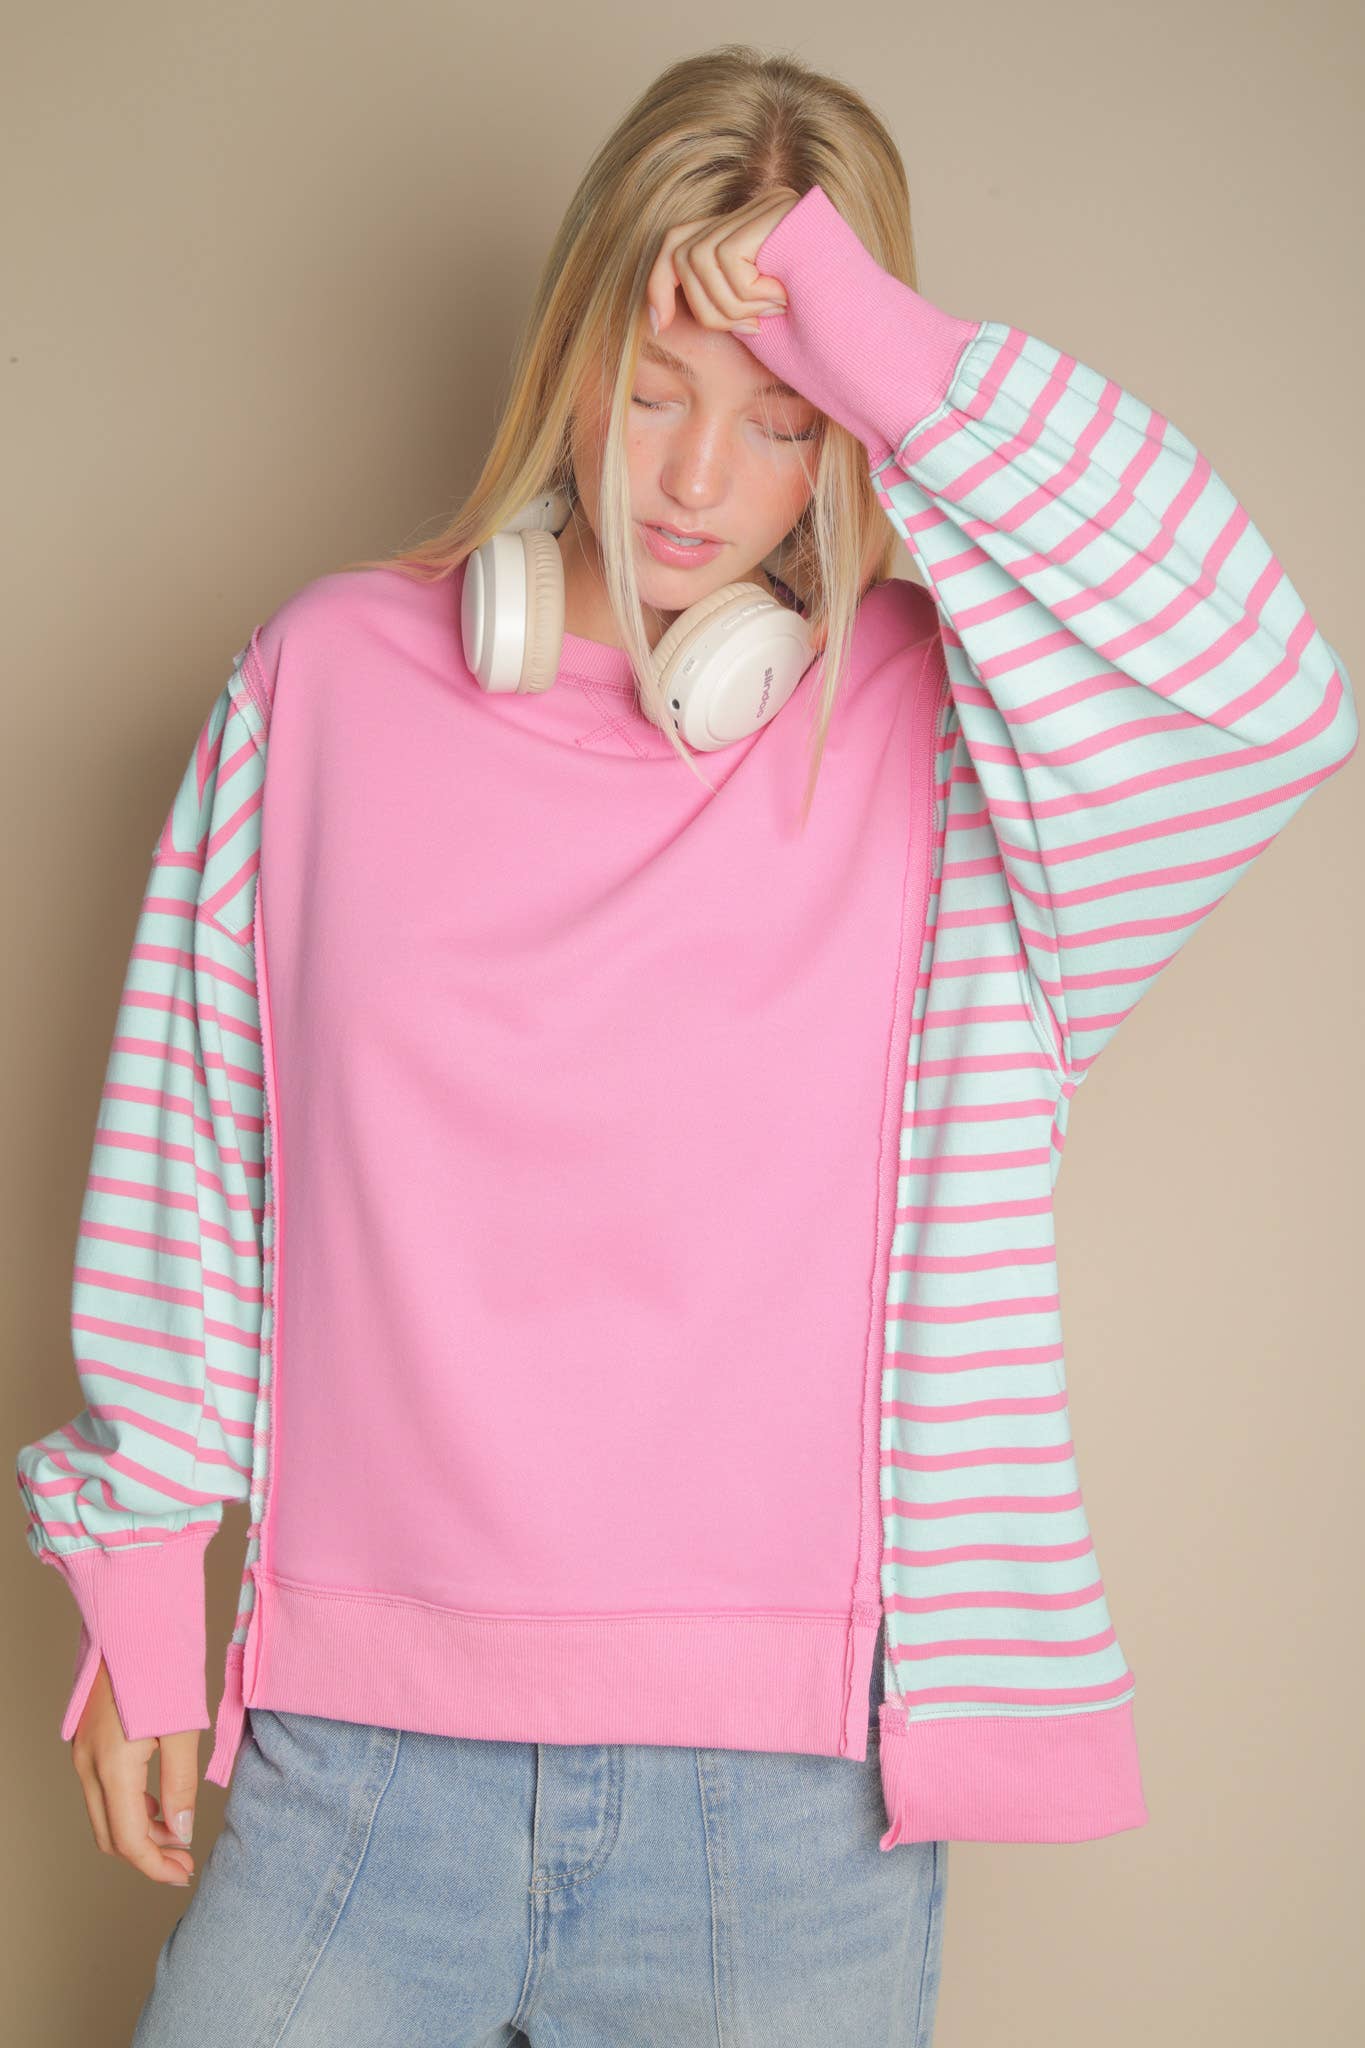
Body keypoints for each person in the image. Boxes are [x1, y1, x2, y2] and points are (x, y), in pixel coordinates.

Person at [15, 41, 1356, 2048]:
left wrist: (887, 350)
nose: (697, 479)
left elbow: (1265, 696)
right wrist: (137, 1594)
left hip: (787, 1814)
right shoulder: (327, 686)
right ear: (567, 350)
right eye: (649, 391)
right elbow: (189, 1157)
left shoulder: (945, 751)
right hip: (352, 1766)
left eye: (780, 420)